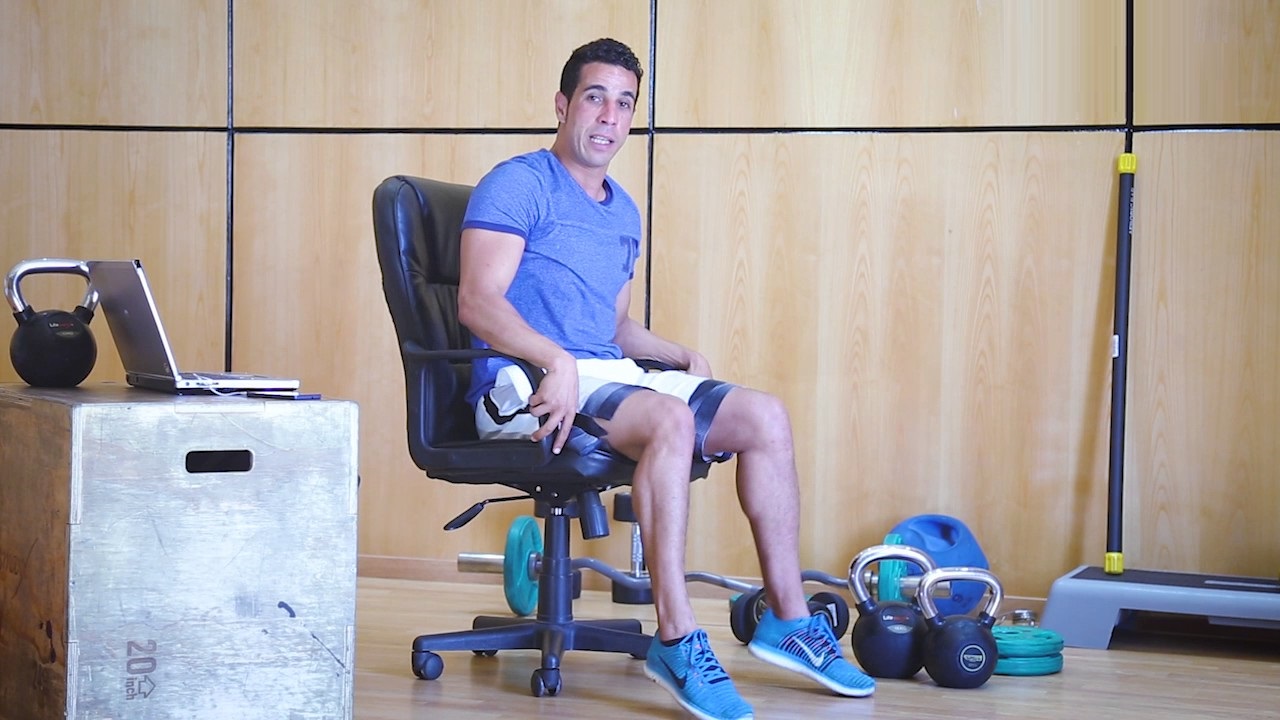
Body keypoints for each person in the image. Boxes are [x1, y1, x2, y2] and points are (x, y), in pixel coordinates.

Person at [456, 38, 874, 720]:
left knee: (765, 416)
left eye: (624, 104)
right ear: (562, 105)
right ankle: (676, 638)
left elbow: (613, 327)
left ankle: (789, 620)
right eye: (595, 98)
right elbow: (477, 301)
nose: (609, 117)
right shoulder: (520, 183)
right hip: (524, 382)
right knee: (671, 421)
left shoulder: (621, 210)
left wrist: (678, 354)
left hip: (596, 371)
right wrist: (557, 360)